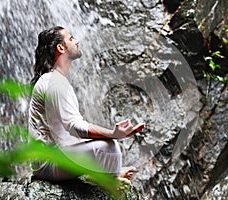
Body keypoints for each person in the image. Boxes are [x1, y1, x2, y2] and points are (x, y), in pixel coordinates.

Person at [28, 26, 145, 184]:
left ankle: (101, 174)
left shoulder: (57, 81)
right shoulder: (53, 82)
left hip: (56, 156)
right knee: (108, 147)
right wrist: (113, 134)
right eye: (71, 38)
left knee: (108, 146)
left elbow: (68, 135)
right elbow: (75, 126)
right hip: (48, 163)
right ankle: (108, 177)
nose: (76, 41)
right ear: (61, 47)